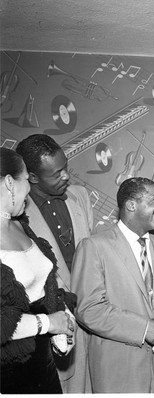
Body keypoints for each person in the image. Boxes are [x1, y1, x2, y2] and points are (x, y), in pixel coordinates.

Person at [71, 177, 154, 393]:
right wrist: (145, 329)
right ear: (131, 205)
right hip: (117, 370)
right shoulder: (94, 246)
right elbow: (88, 309)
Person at [16, 133, 93, 392]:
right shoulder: (16, 218)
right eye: (57, 173)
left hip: (92, 317)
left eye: (66, 168)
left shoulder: (80, 196)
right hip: (55, 330)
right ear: (33, 178)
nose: (66, 177)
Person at [1, 148, 76, 393]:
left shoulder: (21, 224)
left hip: (42, 366)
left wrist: (61, 322)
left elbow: (41, 288)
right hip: (8, 374)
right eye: (25, 180)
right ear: (11, 183)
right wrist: (48, 323)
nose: (30, 189)